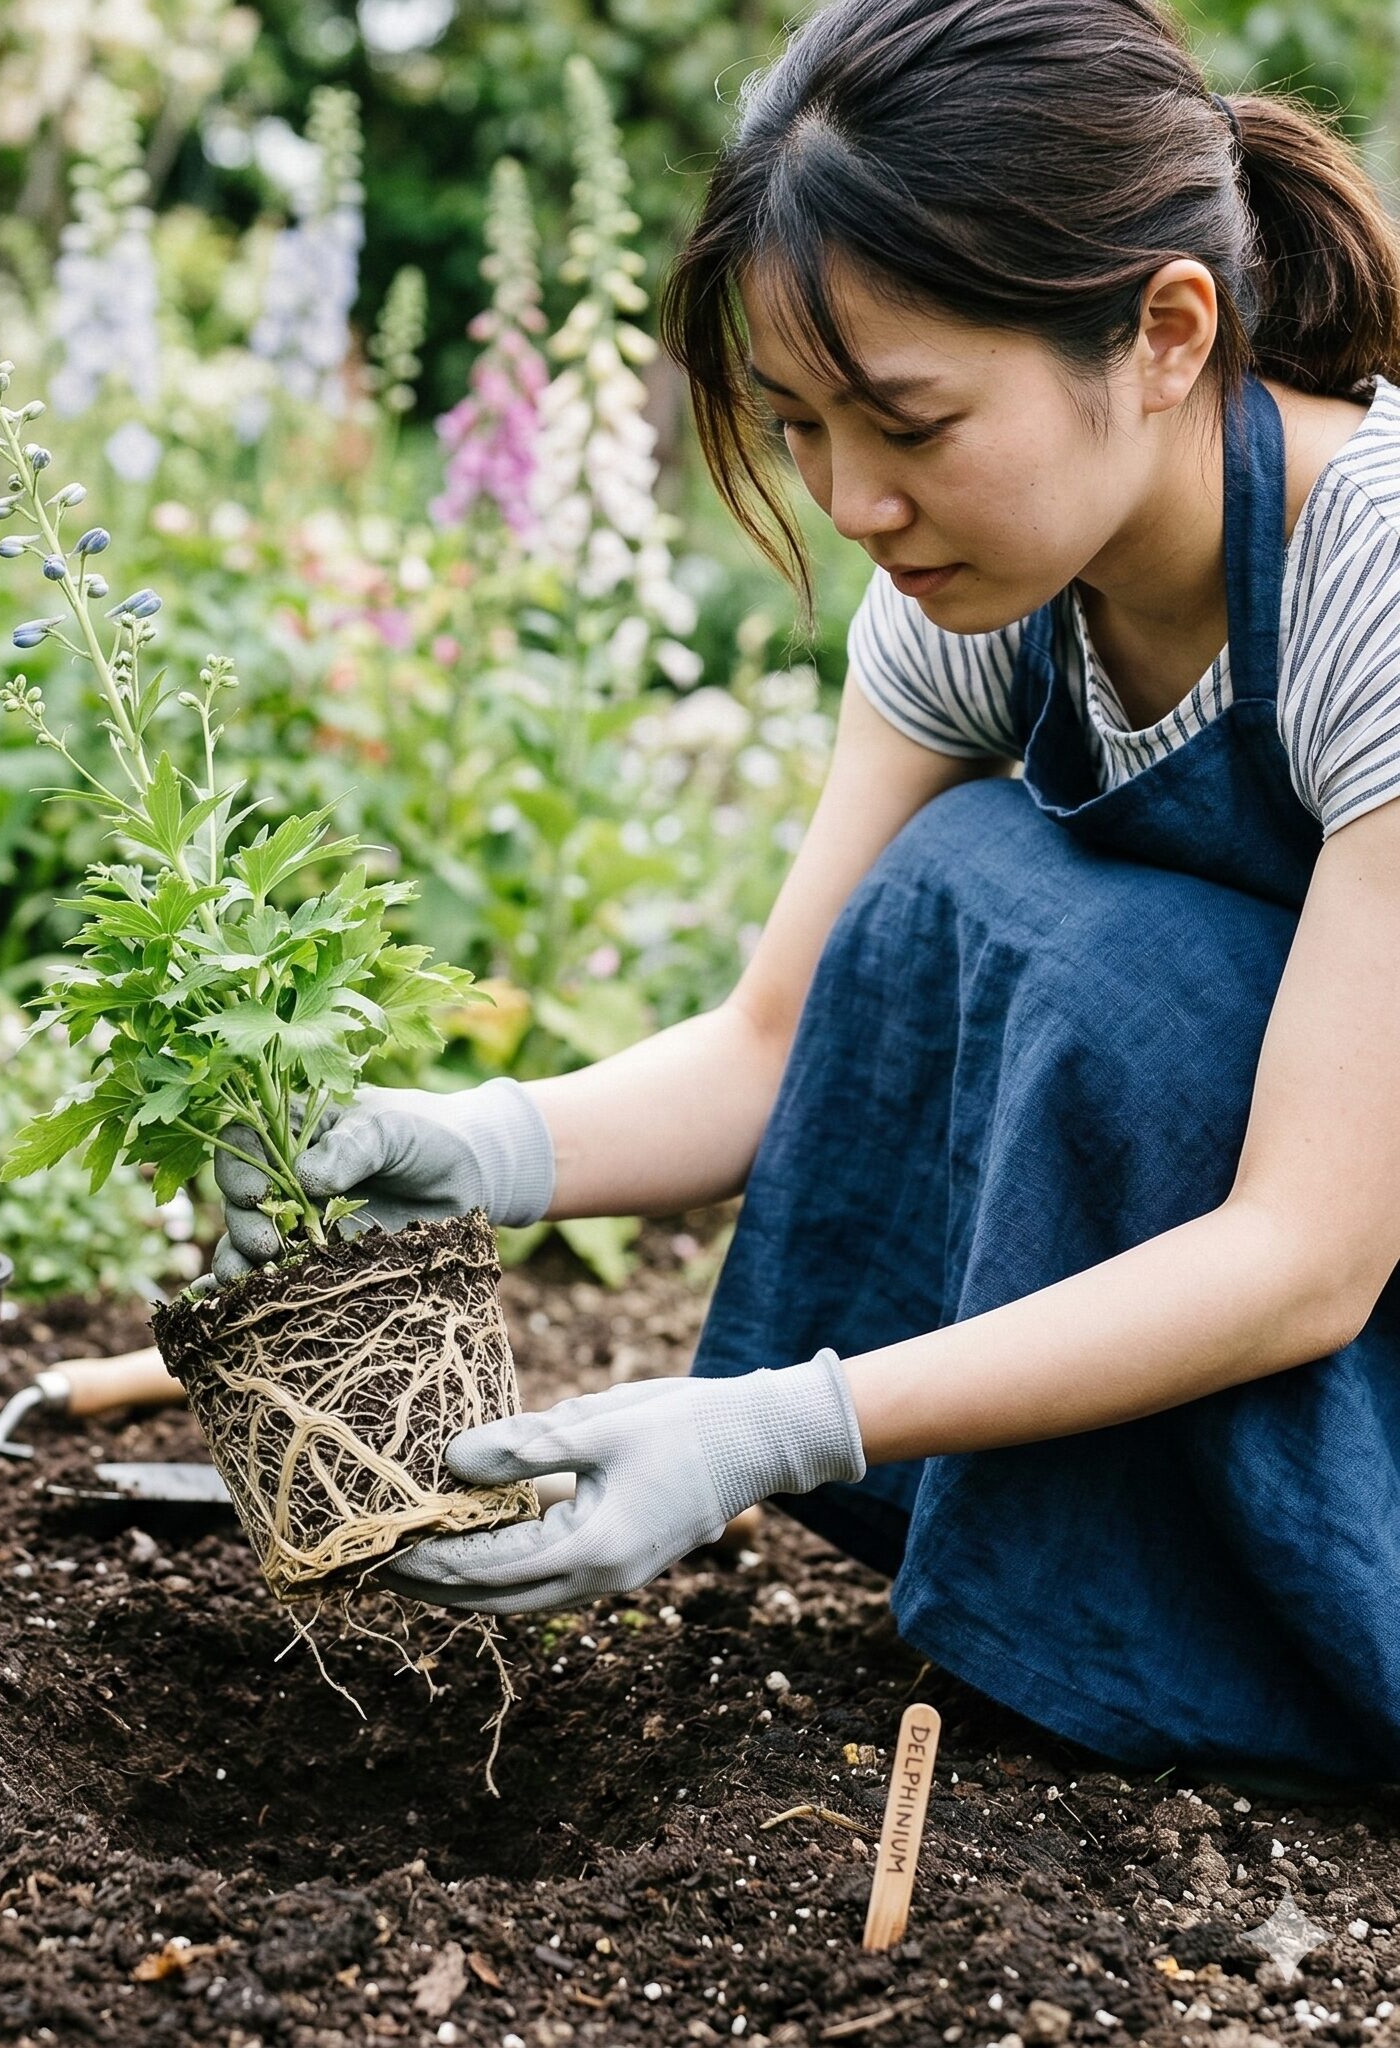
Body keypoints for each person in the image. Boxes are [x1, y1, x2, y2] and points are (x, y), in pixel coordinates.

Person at [211, 0, 1400, 1794]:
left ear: (1165, 333)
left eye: (910, 422)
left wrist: (784, 1425)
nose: (855, 502)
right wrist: (474, 1144)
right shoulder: (976, 590)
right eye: (799, 428)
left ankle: (1274, 1636)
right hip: (1270, 1278)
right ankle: (1089, 1618)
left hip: (1346, 1307)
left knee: (1130, 971)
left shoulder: (1368, 582)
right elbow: (785, 1029)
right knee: (960, 890)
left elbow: (1309, 1252)